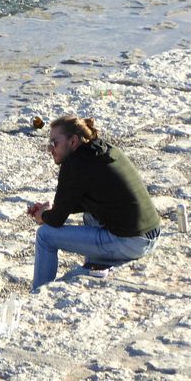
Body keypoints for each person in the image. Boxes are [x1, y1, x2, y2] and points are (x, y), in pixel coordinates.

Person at [27, 115, 161, 290]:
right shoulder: (102, 150)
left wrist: (43, 215)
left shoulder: (74, 164)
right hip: (151, 234)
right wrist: (50, 211)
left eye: (54, 143)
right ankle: (95, 265)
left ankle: (38, 292)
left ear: (73, 141)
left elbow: (56, 220)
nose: (49, 149)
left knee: (45, 235)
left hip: (132, 243)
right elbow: (88, 201)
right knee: (90, 217)